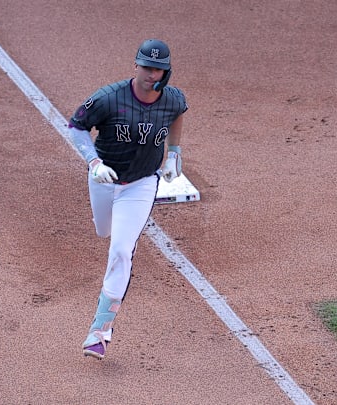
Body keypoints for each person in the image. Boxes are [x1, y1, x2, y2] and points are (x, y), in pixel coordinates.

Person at [68, 39, 188, 359]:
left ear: (166, 71)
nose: (152, 75)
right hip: (105, 181)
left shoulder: (172, 99)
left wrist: (174, 153)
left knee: (121, 249)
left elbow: (177, 114)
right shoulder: (109, 98)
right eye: (147, 68)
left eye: (158, 69)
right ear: (135, 66)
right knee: (103, 231)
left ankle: (100, 330)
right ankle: (101, 325)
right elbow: (77, 126)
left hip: (141, 184)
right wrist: (94, 163)